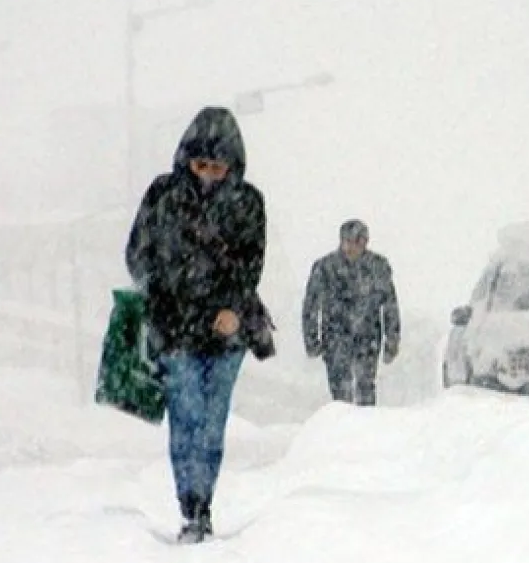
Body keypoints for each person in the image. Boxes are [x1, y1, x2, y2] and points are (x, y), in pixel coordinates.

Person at [125, 106, 271, 544]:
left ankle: (202, 502)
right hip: (175, 328)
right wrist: (161, 298)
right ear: (185, 159)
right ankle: (191, 506)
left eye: (218, 165)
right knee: (186, 417)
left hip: (228, 332)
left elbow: (251, 264)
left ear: (233, 165)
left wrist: (233, 308)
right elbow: (137, 253)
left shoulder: (248, 202)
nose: (209, 174)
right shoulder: (163, 195)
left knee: (211, 420)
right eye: (201, 164)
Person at [302, 219, 401, 406]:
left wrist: (392, 339)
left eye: (357, 242)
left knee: (366, 388)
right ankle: (342, 427)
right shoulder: (325, 267)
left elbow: (390, 305)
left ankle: (366, 428)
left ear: (365, 242)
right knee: (340, 393)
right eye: (346, 241)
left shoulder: (377, 267)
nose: (350, 247)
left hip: (368, 336)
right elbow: (311, 306)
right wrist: (311, 339)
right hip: (335, 336)